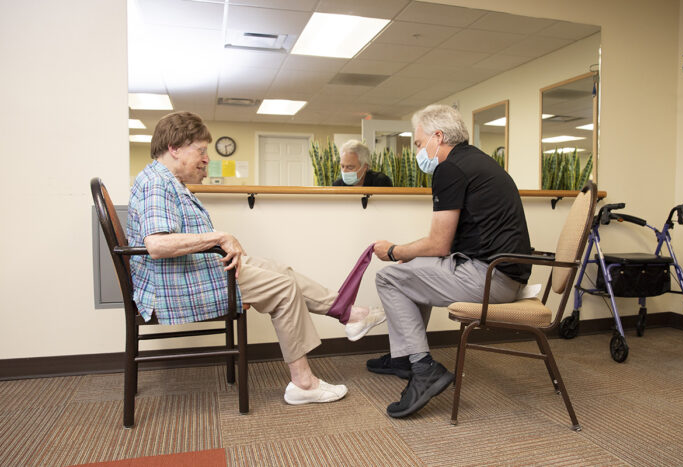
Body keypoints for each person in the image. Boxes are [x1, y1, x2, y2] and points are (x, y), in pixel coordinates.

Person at [127, 111, 385, 406]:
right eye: (200, 150)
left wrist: (217, 242)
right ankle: (304, 383)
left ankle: (349, 314)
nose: (206, 158)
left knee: (282, 272)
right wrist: (220, 237)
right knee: (283, 290)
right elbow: (157, 245)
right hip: (176, 286)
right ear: (174, 148)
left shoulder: (167, 181)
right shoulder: (156, 184)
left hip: (193, 272)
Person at [370, 104, 532, 418]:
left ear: (438, 137)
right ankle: (404, 359)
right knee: (414, 271)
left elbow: (438, 243)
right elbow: (445, 246)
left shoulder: (450, 168)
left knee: (387, 277)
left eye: (418, 144)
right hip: (502, 274)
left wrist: (394, 251)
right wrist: (412, 258)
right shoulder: (477, 162)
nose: (418, 151)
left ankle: (422, 367)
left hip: (491, 280)